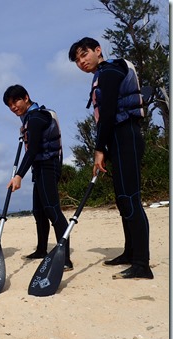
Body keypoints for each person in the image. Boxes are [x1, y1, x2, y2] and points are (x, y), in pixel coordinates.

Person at [68, 37, 153, 279]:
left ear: (98, 50)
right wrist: (105, 146)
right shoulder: (103, 74)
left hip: (125, 135)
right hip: (117, 138)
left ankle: (141, 264)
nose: (81, 61)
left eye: (84, 54)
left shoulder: (110, 70)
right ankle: (130, 252)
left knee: (130, 197)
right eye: (77, 60)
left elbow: (107, 112)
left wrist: (98, 149)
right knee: (123, 199)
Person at [3, 84, 73, 271]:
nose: (13, 107)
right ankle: (42, 249)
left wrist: (18, 175)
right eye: (9, 105)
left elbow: (33, 150)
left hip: (47, 166)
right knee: (38, 211)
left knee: (52, 210)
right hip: (40, 168)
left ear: (26, 97)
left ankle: (65, 258)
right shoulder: (31, 119)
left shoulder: (36, 118)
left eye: (16, 101)